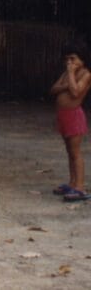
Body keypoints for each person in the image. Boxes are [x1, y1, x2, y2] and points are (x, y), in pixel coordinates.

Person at [50, 45, 91, 201]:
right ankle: (72, 183)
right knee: (69, 151)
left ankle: (80, 187)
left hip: (74, 115)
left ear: (82, 59)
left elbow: (75, 93)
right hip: (63, 115)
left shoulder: (86, 74)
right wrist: (67, 80)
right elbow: (53, 89)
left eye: (73, 58)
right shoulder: (66, 74)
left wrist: (71, 73)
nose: (69, 62)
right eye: (67, 59)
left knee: (75, 152)